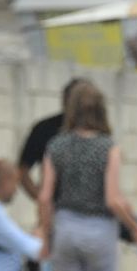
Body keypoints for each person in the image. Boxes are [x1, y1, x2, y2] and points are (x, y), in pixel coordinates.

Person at [37, 80, 137, 271]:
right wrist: (135, 228)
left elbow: (44, 197)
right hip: (100, 231)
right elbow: (113, 200)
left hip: (66, 230)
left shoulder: (56, 145)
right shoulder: (109, 148)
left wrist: (46, 236)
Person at [16, 76, 88, 211]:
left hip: (91, 213)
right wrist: (41, 199)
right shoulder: (46, 130)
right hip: (57, 209)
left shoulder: (97, 134)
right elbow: (22, 170)